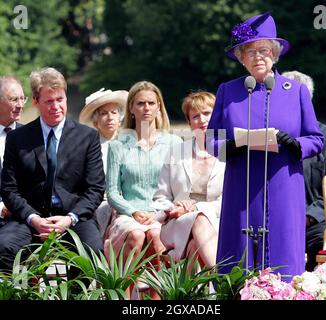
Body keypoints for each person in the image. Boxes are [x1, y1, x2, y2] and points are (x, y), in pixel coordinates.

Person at [206, 12, 324, 278]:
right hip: (241, 188)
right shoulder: (228, 90)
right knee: (239, 259)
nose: (257, 56)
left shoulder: (296, 91)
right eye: (249, 51)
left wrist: (295, 145)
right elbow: (211, 140)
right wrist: (231, 145)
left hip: (283, 185)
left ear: (275, 53)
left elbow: (316, 139)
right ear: (241, 58)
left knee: (282, 259)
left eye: (264, 50)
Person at [0, 67, 105, 271]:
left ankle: (77, 295)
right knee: (4, 247)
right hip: (29, 219)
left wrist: (70, 218)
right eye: (49, 101)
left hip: (73, 218)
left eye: (60, 99)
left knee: (92, 249)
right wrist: (34, 219)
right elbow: (9, 189)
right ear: (36, 102)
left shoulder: (87, 137)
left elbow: (95, 189)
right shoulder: (17, 138)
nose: (56, 106)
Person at [104, 81, 182, 298]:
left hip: (161, 214)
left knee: (157, 238)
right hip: (129, 213)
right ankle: (125, 297)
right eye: (140, 103)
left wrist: (157, 213)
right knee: (136, 235)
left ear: (159, 107)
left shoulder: (174, 143)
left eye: (151, 103)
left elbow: (177, 190)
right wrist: (133, 212)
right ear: (131, 108)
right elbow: (112, 192)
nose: (146, 108)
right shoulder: (118, 145)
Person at [152, 91, 225, 268]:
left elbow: (231, 199)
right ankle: (224, 284)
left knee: (195, 245)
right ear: (189, 123)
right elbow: (160, 198)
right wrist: (173, 209)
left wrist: (196, 207)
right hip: (177, 223)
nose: (202, 120)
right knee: (199, 220)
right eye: (195, 116)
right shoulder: (176, 152)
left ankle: (208, 292)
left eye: (207, 113)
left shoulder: (229, 152)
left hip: (219, 220)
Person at [282, 70, 326, 271]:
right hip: (278, 217)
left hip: (316, 220)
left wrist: (306, 216)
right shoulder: (269, 136)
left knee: (324, 240)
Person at [79, 88, 128, 238]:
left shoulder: (130, 144)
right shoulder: (88, 148)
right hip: (100, 202)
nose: (110, 117)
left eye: (114, 113)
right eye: (104, 113)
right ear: (96, 121)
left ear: (120, 118)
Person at [0, 76, 25, 225]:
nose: (20, 105)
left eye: (23, 99)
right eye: (14, 99)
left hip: (25, 218)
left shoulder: (31, 136)